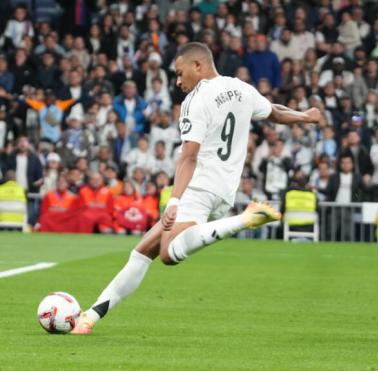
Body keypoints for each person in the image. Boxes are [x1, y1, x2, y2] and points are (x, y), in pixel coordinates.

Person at [72, 42, 321, 335]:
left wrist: (174, 201)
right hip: (224, 190)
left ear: (198, 65)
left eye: (180, 73)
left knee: (167, 254)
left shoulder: (196, 99)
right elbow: (274, 112)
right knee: (142, 252)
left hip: (200, 185)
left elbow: (188, 156)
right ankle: (90, 317)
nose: (178, 81)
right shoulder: (241, 88)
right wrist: (306, 116)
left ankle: (243, 220)